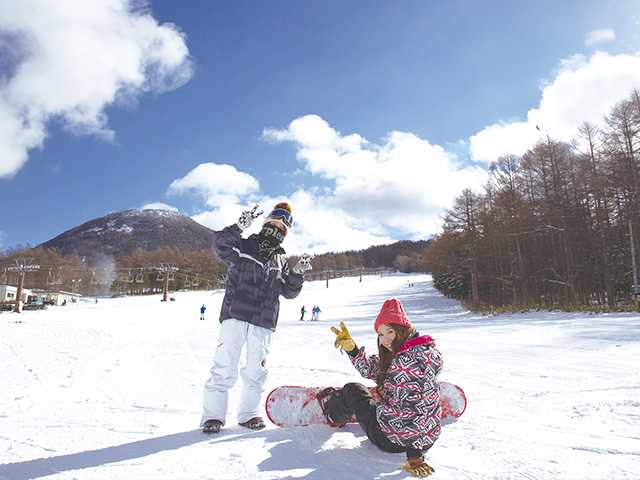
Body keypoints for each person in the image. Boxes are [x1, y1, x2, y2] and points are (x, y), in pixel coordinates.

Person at [201, 202, 313, 434]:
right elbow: (220, 246)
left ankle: (248, 414)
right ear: (265, 223)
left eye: (281, 228)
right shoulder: (244, 244)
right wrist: (238, 227)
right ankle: (213, 416)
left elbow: (289, 293)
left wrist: (297, 274)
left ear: (285, 233)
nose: (275, 229)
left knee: (256, 370)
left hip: (263, 321)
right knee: (224, 367)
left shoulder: (280, 260)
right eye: (272, 224)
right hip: (236, 314)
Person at [322, 299, 443, 477]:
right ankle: (383, 399)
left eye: (390, 331)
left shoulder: (404, 365)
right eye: (380, 334)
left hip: (391, 439)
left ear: (402, 329)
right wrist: (353, 350)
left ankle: (332, 414)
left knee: (353, 389)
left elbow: (416, 410)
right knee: (379, 390)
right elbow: (374, 369)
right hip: (428, 438)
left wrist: (414, 455)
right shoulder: (421, 352)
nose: (385, 340)